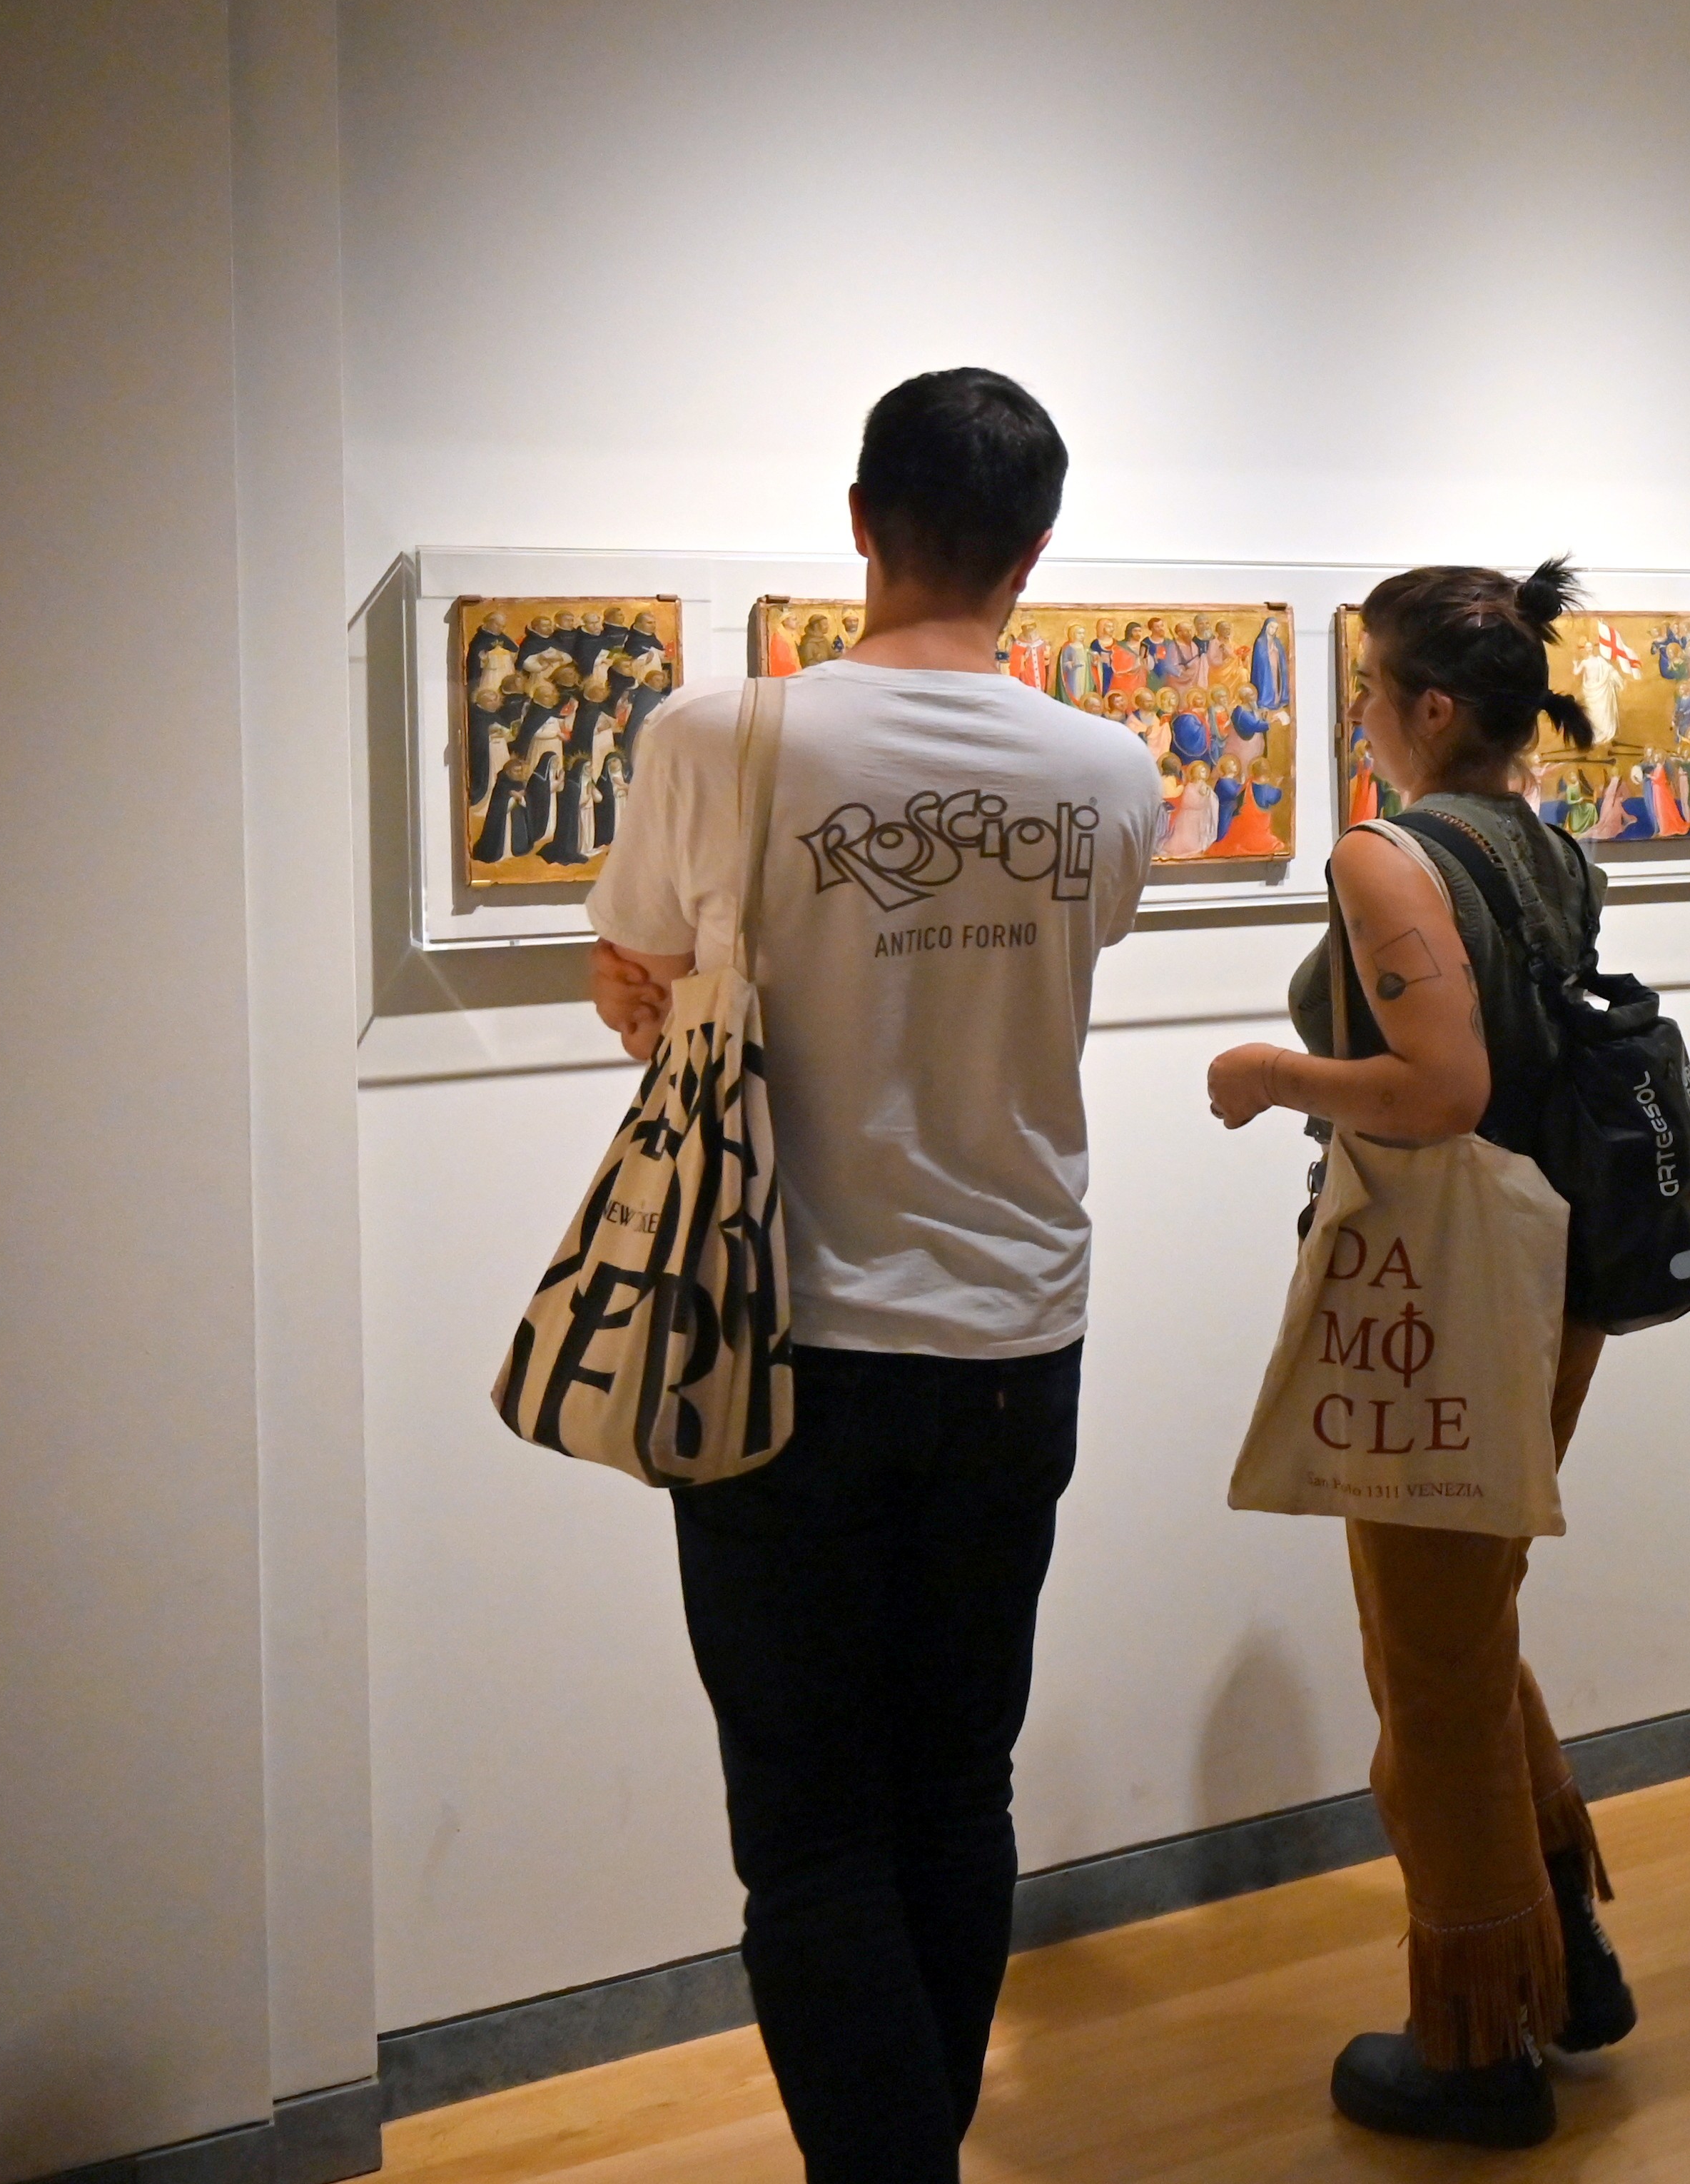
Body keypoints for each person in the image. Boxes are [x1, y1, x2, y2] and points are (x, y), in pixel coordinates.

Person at [587, 370, 1165, 2181]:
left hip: (780, 1334)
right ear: (1037, 549)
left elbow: (635, 980)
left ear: (858, 517)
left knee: (812, 1828)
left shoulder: (716, 734)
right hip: (1019, 1335)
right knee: (957, 1788)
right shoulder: (1113, 768)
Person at [1202, 558, 1631, 2153]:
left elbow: (1441, 1087)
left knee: (1428, 1673)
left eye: (1371, 690)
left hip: (1441, 1298)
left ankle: (1478, 2044)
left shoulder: (1385, 855)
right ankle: (1562, 1954)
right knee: (1467, 1619)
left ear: (1432, 707)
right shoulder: (1547, 845)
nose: (1361, 717)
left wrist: (1270, 1071)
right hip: (1548, 1283)